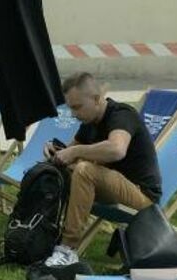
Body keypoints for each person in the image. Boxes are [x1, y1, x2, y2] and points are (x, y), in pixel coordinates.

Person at [48, 70, 162, 260]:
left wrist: (75, 152)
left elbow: (117, 149)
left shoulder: (122, 114)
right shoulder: (89, 120)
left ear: (96, 98)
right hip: (110, 187)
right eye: (71, 109)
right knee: (59, 171)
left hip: (142, 197)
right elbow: (70, 153)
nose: (74, 114)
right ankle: (41, 233)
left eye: (77, 107)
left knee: (84, 170)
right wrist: (57, 152)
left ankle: (67, 249)